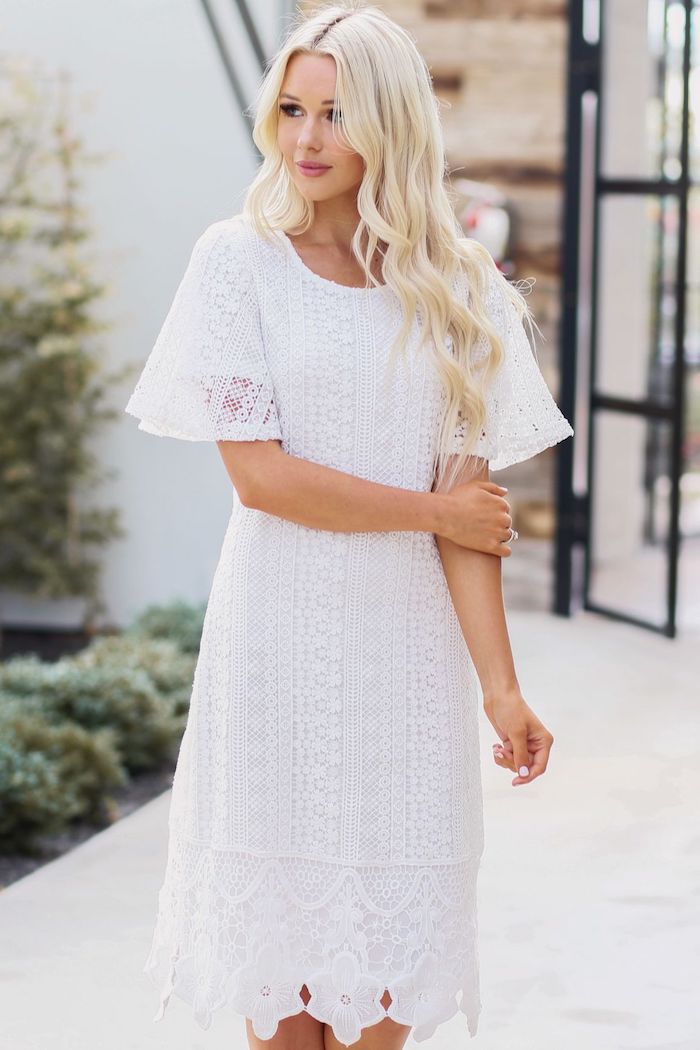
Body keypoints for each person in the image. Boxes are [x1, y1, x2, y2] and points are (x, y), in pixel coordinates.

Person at [124, 3, 574, 1048]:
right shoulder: (236, 263)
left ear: (393, 126)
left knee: (381, 1016)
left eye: (336, 113)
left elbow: (473, 525)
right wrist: (430, 509)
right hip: (272, 660)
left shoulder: (460, 292)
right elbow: (264, 482)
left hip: (407, 680)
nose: (309, 139)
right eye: (292, 109)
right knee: (282, 1023)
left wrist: (502, 690)